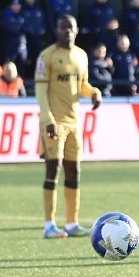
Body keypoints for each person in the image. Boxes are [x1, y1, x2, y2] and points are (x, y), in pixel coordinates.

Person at [36, 15, 101, 239]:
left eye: (70, 28)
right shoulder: (48, 56)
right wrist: (48, 120)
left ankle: (72, 223)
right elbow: (41, 91)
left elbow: (82, 85)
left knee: (74, 171)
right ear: (57, 30)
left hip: (74, 123)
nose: (67, 32)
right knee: (53, 170)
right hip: (54, 123)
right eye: (63, 28)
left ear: (77, 30)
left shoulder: (81, 56)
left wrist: (93, 93)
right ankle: (49, 225)